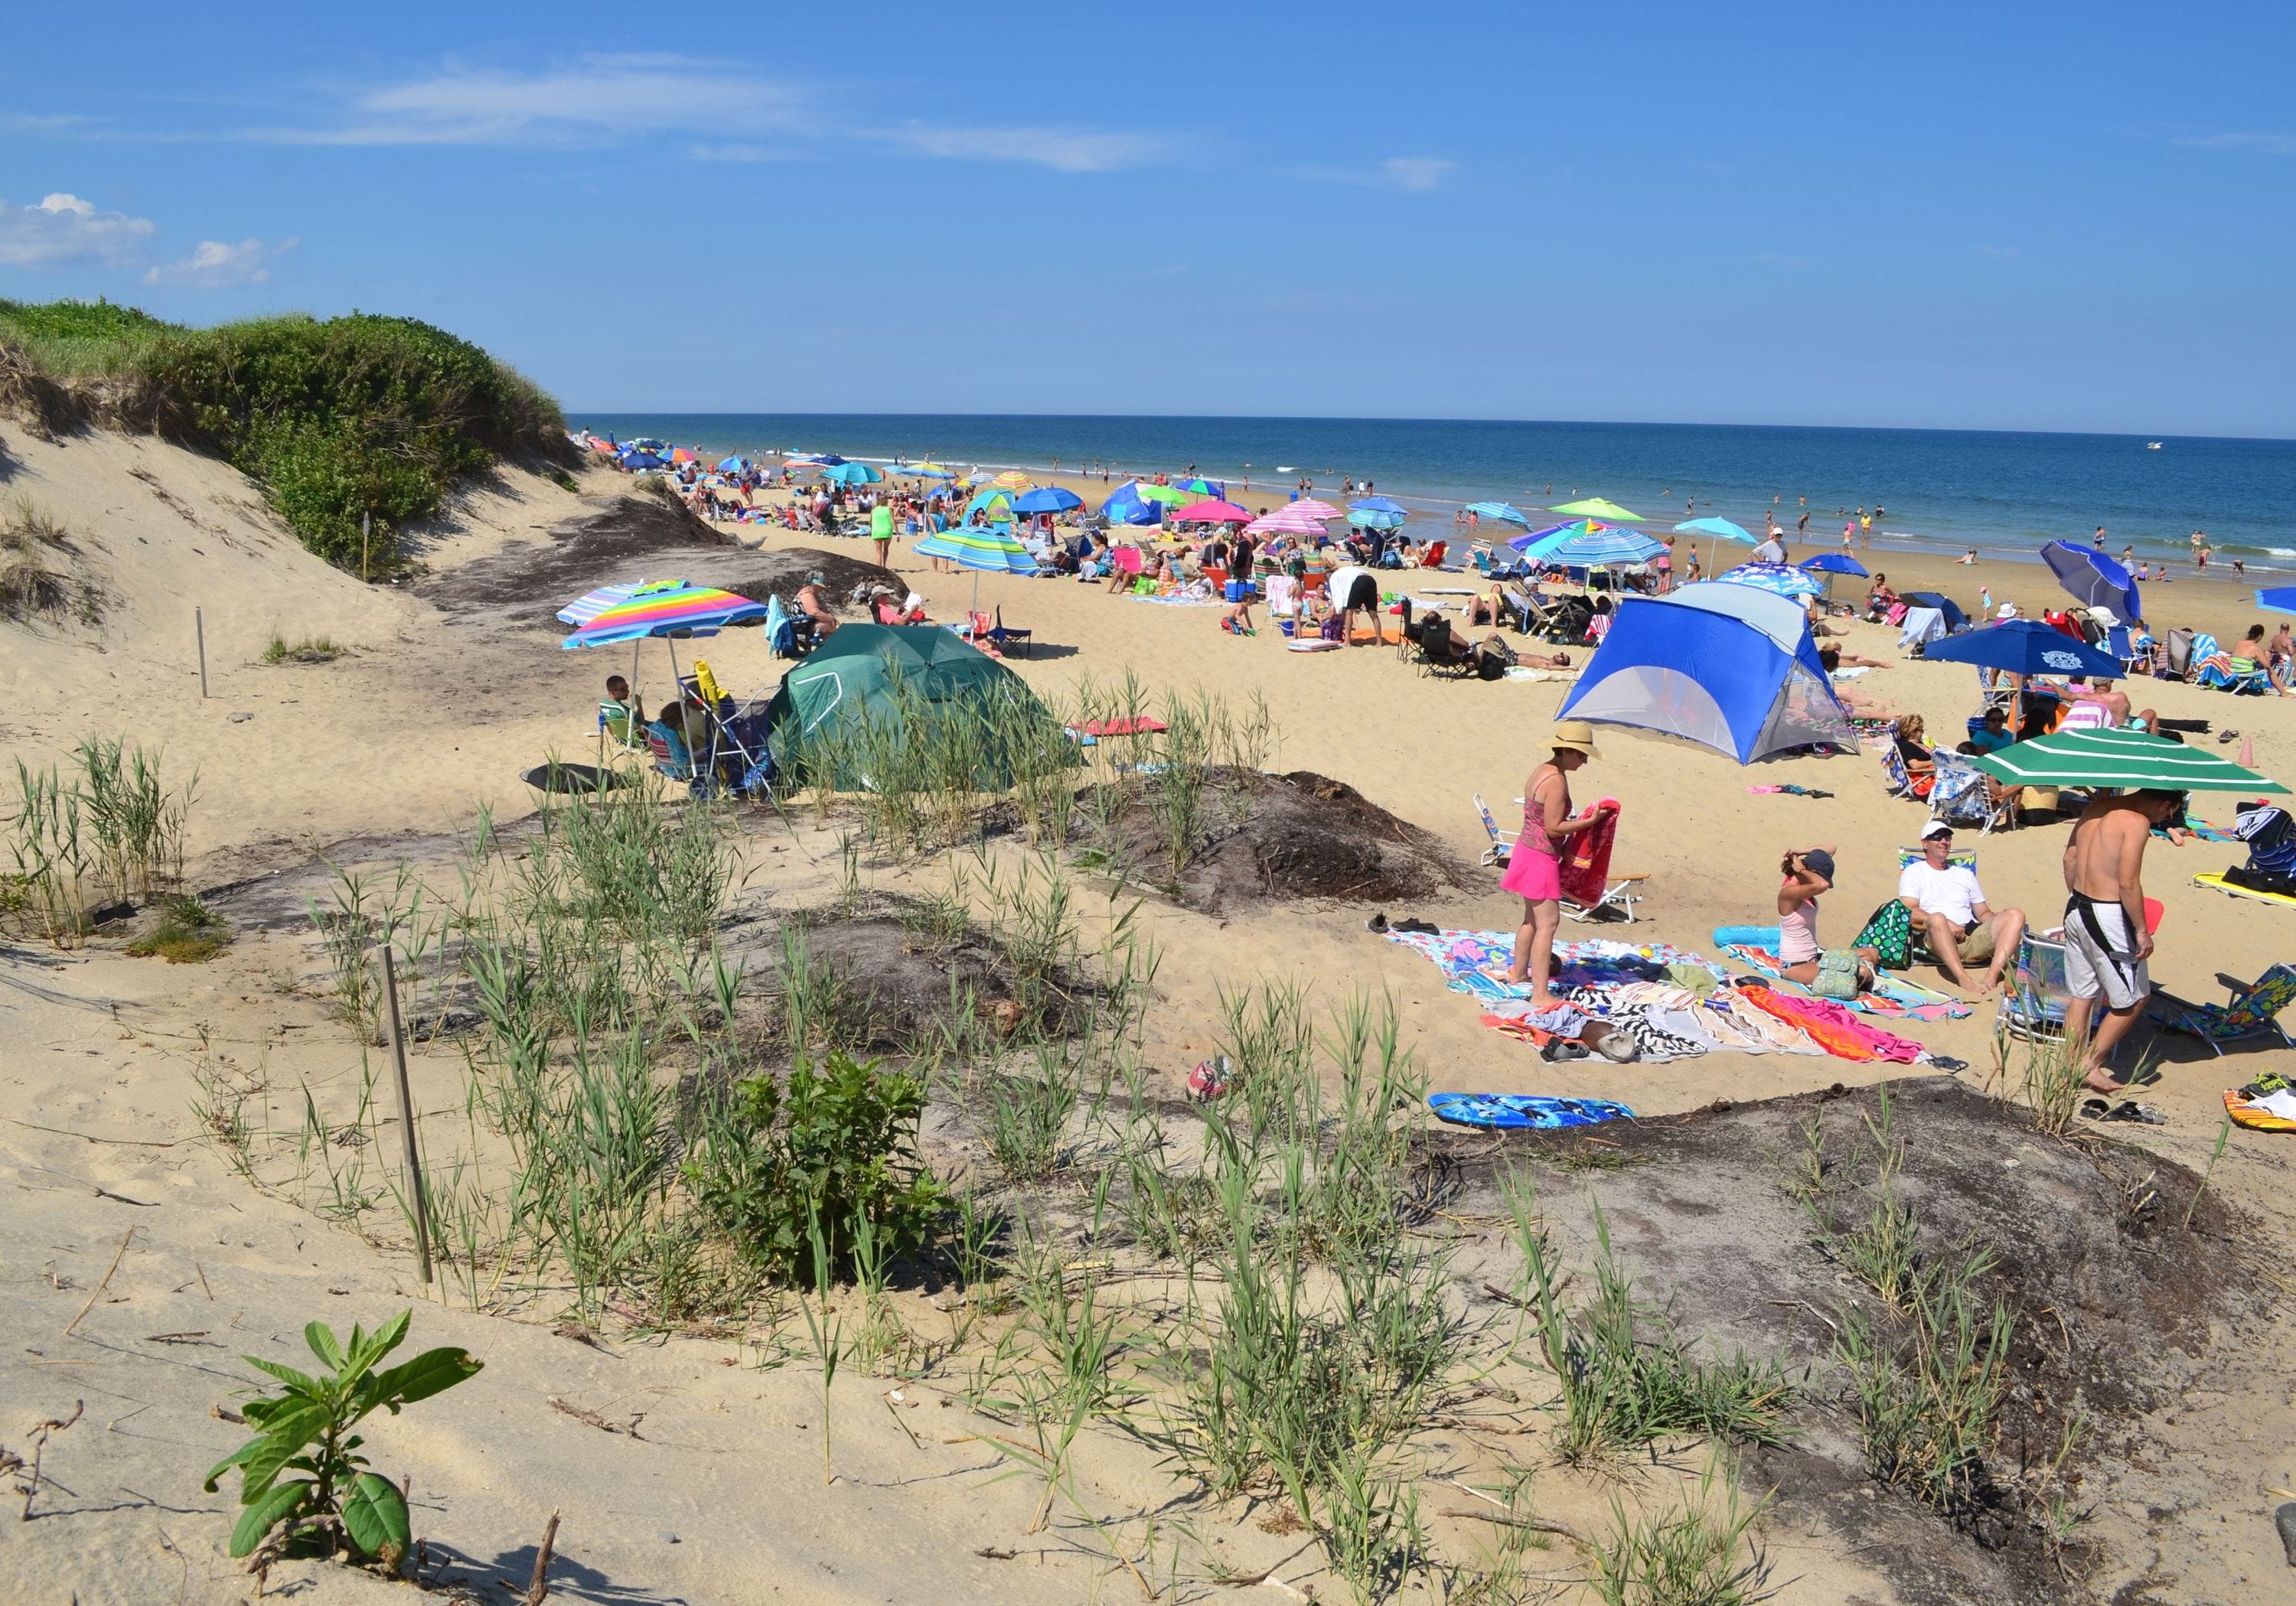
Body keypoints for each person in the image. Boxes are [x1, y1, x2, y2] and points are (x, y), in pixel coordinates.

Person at [2060, 789, 2179, 1091]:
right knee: (2135, 997)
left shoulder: (2096, 807)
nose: (2166, 819)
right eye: (2169, 813)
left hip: (2076, 906)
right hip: (2107, 913)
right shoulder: (2136, 821)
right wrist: (2141, 931)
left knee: (2083, 993)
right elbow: (2127, 883)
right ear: (2164, 803)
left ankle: (2069, 1063)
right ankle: (2090, 1064)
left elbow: (2070, 857)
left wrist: (2077, 895)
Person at [1502, 722, 1617, 1010]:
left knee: (1531, 919)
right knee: (1548, 924)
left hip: (1527, 851)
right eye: (1581, 755)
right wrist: (1590, 822)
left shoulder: (1542, 770)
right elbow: (1554, 828)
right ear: (1566, 751)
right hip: (1540, 857)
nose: (1585, 761)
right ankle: (1540, 993)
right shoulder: (1556, 780)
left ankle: (1518, 973)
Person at [1898, 823, 2026, 995]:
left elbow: (1983, 913)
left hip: (1970, 936)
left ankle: (1992, 975)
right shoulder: (1914, 872)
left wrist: (2003, 923)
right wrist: (1947, 924)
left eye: (1947, 837)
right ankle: (1963, 979)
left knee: (2015, 915)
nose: (1944, 841)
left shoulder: (1964, 874)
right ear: (1924, 843)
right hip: (1937, 937)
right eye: (1937, 837)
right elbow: (1909, 909)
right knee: (1937, 918)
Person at [1776, 845, 1877, 991]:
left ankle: (1849, 972)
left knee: (1871, 954)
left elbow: (1831, 848)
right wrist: (1802, 869)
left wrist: (1798, 852)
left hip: (1814, 959)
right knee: (1863, 972)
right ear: (1814, 874)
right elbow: (1822, 884)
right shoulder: (1788, 893)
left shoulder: (1806, 888)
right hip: (1795, 965)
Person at [1328, 562, 1387, 647]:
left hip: (1359, 581)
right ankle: (1379, 643)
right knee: (1373, 614)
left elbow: (1337, 596)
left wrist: (1339, 610)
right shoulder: (1345, 571)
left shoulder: (1333, 578)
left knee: (1349, 612)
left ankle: (1347, 642)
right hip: (1371, 580)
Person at [600, 673, 644, 749]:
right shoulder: (623, 710)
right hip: (639, 742)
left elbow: (609, 726)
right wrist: (639, 704)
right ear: (612, 692)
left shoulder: (605, 705)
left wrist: (618, 738)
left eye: (627, 687)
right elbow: (642, 726)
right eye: (624, 689)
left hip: (624, 740)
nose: (628, 691)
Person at [794, 572, 840, 640]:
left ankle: (831, 646)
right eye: (819, 587)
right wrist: (831, 619)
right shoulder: (806, 595)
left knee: (830, 630)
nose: (820, 589)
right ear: (814, 585)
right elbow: (814, 612)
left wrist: (829, 616)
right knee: (830, 625)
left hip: (808, 624)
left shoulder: (813, 595)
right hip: (802, 626)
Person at [869, 500, 895, 570]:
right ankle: (884, 566)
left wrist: (871, 528)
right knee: (886, 549)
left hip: (877, 532)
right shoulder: (889, 509)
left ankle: (879, 568)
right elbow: (893, 521)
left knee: (878, 552)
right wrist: (898, 533)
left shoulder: (874, 509)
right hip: (887, 531)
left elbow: (870, 521)